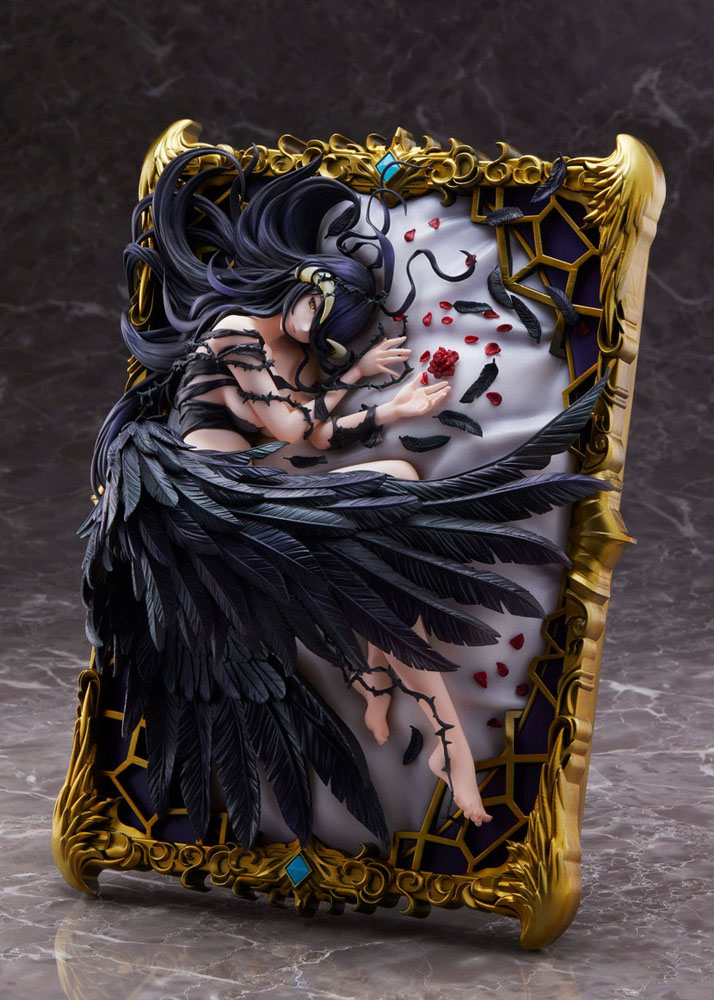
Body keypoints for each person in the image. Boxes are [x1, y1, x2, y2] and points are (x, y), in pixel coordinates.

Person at [82, 144, 609, 848]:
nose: (320, 334)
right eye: (324, 314)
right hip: (218, 507)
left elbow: (309, 430)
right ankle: (436, 731)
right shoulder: (236, 332)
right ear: (306, 282)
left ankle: (390, 692)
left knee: (385, 515)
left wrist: (372, 385)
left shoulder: (276, 353)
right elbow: (295, 427)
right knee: (381, 520)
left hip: (242, 497)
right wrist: (376, 399)